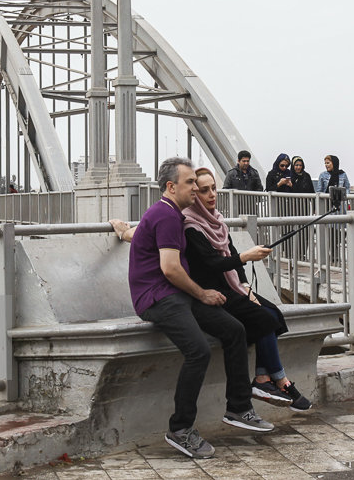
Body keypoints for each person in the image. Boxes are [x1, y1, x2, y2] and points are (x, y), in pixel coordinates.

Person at [117, 156, 274, 460]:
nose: (195, 187)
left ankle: (239, 407)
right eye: (190, 182)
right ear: (170, 187)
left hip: (175, 293)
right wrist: (203, 294)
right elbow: (171, 268)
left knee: (234, 330)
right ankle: (180, 429)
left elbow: (145, 240)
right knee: (198, 350)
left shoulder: (172, 214)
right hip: (156, 297)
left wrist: (122, 230)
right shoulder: (166, 215)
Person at [185, 167, 313, 411]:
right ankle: (282, 381)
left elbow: (231, 254)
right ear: (194, 195)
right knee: (263, 319)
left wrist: (246, 286)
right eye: (204, 191)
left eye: (214, 188)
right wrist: (247, 256)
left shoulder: (217, 221)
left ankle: (264, 378)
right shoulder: (191, 226)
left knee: (274, 314)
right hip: (212, 291)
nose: (212, 194)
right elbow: (213, 263)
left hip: (232, 286)